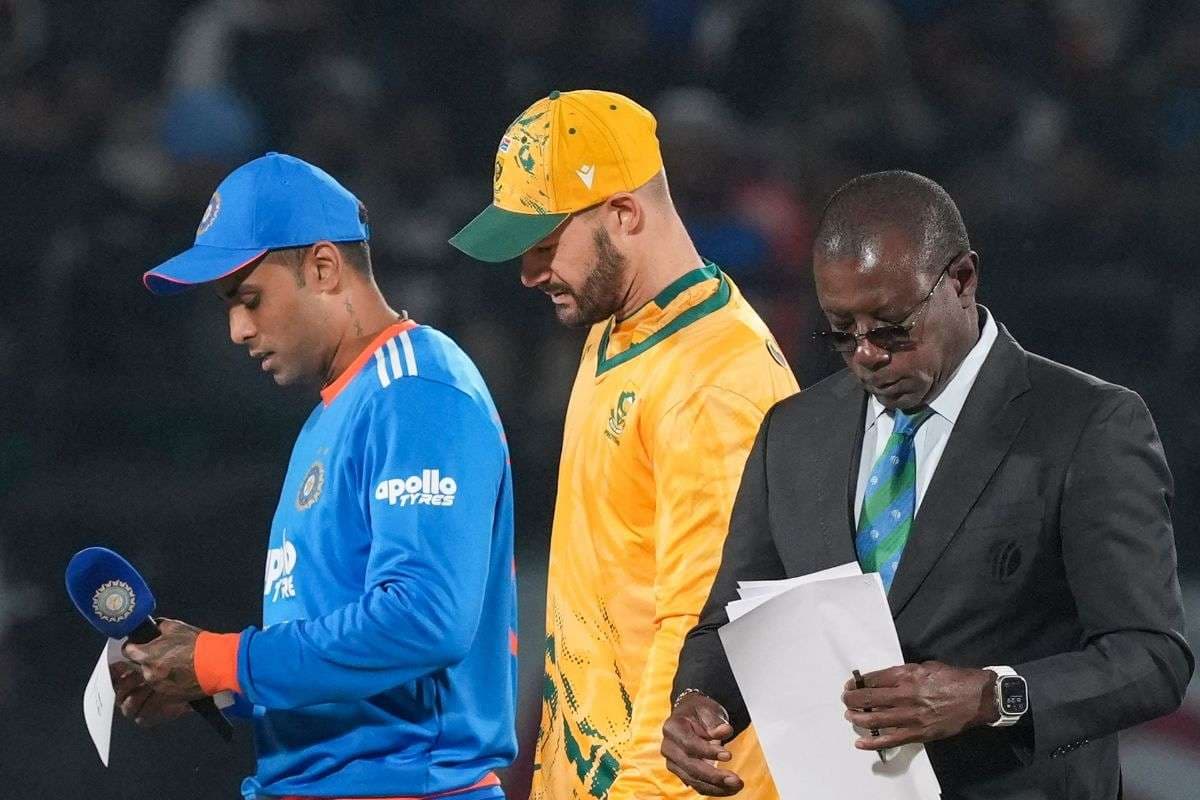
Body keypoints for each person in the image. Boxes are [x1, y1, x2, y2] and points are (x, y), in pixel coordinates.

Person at [663, 170, 1194, 799]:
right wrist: (701, 701)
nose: (866, 354)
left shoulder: (1086, 425)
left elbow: (1153, 657)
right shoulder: (794, 433)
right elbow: (732, 619)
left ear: (963, 280)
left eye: (890, 327)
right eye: (841, 330)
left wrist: (991, 695)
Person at [114, 152, 518, 800]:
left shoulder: (415, 388)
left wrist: (219, 659)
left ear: (324, 267)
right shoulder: (338, 410)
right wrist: (212, 685)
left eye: (249, 298)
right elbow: (347, 662)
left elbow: (425, 618)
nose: (237, 330)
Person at [450, 89, 799, 800]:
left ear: (625, 214)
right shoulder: (620, 328)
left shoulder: (716, 379)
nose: (528, 273)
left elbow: (707, 633)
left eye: (545, 245)